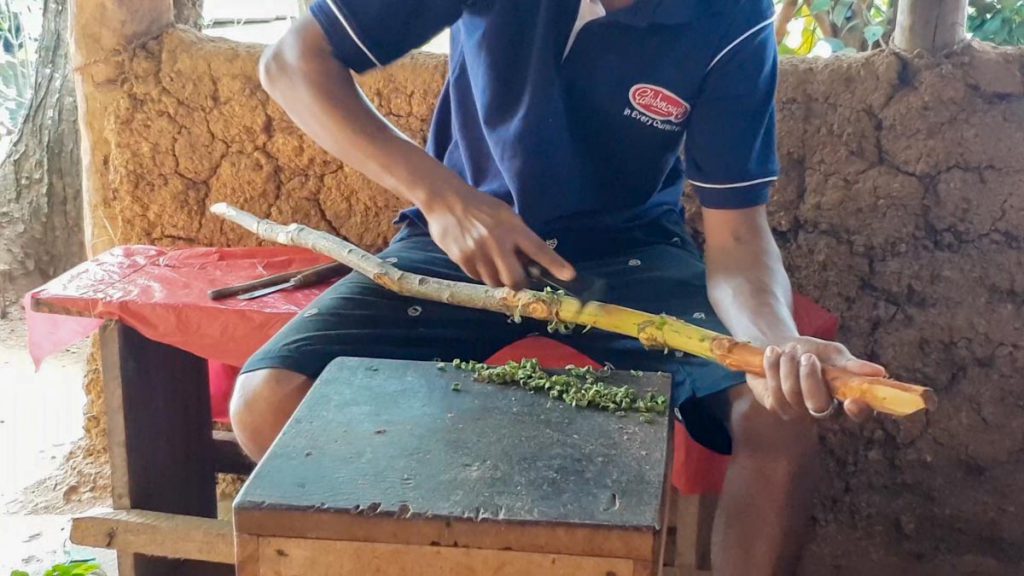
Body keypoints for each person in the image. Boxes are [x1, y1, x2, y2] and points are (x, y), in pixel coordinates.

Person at [233, 0, 887, 573]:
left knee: (778, 416)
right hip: (459, 238)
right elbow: (293, 63)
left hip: (632, 254)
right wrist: (441, 196)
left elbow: (738, 239)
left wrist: (775, 344)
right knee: (269, 401)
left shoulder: (731, 16)